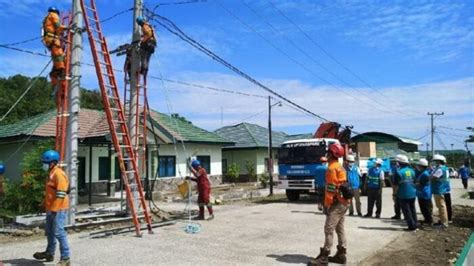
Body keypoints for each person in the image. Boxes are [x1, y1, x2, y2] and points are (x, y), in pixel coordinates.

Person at [309, 143, 349, 265]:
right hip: (344, 202)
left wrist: (327, 205)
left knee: (328, 229)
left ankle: (324, 257)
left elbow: (331, 189)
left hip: (336, 203)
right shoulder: (340, 167)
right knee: (340, 228)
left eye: (328, 152)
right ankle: (341, 255)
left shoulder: (331, 168)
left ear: (331, 154)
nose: (327, 154)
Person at [33, 150, 70, 265]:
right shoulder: (51, 173)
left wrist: (54, 209)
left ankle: (65, 258)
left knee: (59, 232)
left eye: (45, 162)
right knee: (50, 232)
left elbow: (61, 193)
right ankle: (49, 253)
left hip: (58, 208)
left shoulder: (59, 174)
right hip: (51, 208)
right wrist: (44, 203)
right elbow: (50, 191)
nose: (43, 164)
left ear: (53, 163)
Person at [42, 6, 68, 88]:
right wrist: (67, 27)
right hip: (52, 39)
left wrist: (62, 34)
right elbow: (58, 26)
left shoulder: (46, 18)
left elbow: (54, 29)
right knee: (59, 56)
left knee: (58, 59)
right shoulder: (53, 15)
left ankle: (54, 79)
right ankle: (61, 73)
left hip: (49, 40)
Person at [393, 155, 417, 231]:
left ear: (399, 163)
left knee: (407, 211)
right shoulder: (412, 171)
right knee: (412, 210)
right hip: (412, 193)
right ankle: (415, 224)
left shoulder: (398, 172)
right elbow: (414, 181)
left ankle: (411, 227)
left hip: (403, 194)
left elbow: (395, 185)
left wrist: (394, 194)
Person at [431, 154, 449, 229]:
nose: (434, 163)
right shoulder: (444, 168)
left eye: (435, 161)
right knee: (440, 206)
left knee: (441, 206)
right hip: (441, 189)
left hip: (439, 190)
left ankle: (444, 223)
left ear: (439, 161)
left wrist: (429, 176)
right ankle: (442, 221)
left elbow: (433, 177)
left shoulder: (440, 169)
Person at [415, 159, 433, 225]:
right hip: (422, 193)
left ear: (422, 166)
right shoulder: (423, 173)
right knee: (423, 208)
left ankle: (429, 221)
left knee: (426, 208)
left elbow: (421, 183)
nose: (418, 167)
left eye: (419, 166)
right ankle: (427, 220)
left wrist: (414, 184)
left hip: (424, 193)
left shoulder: (425, 174)